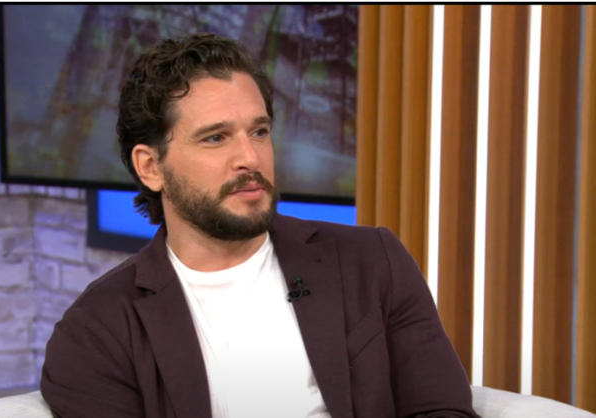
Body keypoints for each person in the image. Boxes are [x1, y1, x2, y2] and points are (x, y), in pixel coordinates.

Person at [40, 32, 480, 418]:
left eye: (259, 132)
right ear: (151, 167)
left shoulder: (371, 261)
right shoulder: (97, 331)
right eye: (216, 138)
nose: (250, 158)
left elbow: (442, 408)